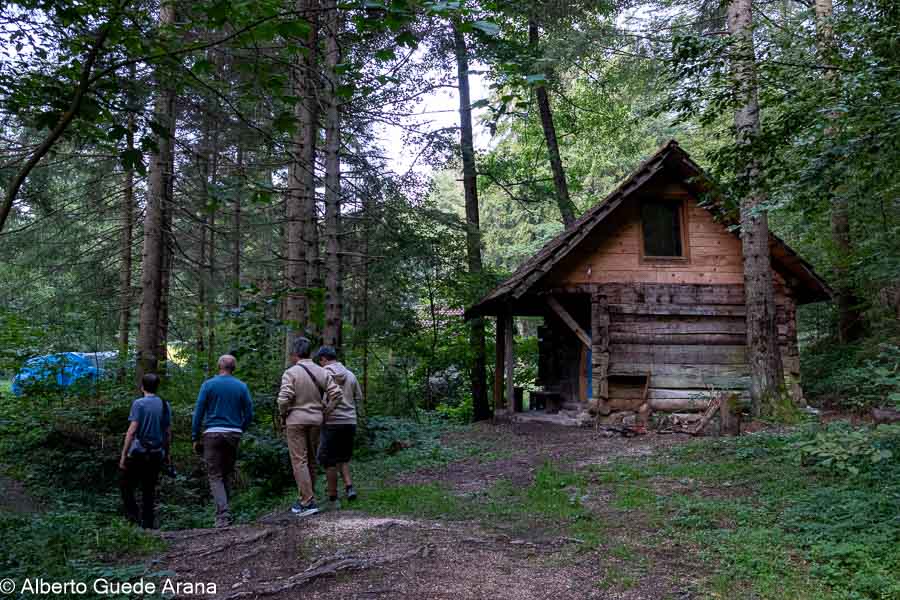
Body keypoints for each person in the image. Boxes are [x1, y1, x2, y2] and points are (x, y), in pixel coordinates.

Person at [277, 337, 342, 518]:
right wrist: (326, 411)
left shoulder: (291, 373)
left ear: (294, 354)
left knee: (299, 461)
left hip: (295, 420)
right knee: (311, 460)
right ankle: (308, 498)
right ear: (309, 353)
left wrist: (283, 414)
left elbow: (283, 399)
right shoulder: (321, 371)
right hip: (315, 420)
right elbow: (337, 394)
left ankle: (307, 502)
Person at [192, 354, 254, 528]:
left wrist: (195, 436)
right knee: (226, 473)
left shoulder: (208, 385)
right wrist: (240, 428)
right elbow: (249, 412)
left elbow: (198, 411)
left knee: (215, 475)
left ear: (219, 366)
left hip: (212, 434)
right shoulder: (241, 386)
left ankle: (222, 515)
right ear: (234, 368)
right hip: (233, 434)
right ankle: (225, 513)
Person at [119, 372, 171, 529]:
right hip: (156, 453)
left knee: (126, 485)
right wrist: (167, 453)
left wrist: (124, 455)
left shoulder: (139, 404)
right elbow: (167, 432)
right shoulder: (164, 404)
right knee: (149, 489)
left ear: (142, 387)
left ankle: (133, 518)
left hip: (138, 452)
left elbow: (132, 431)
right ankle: (148, 524)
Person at [315, 346, 362, 506]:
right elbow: (358, 397)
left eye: (320, 361)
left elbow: (318, 398)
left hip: (332, 421)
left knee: (328, 460)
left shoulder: (322, 374)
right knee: (343, 457)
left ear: (323, 359)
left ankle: (333, 496)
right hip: (350, 421)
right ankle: (349, 487)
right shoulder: (350, 374)